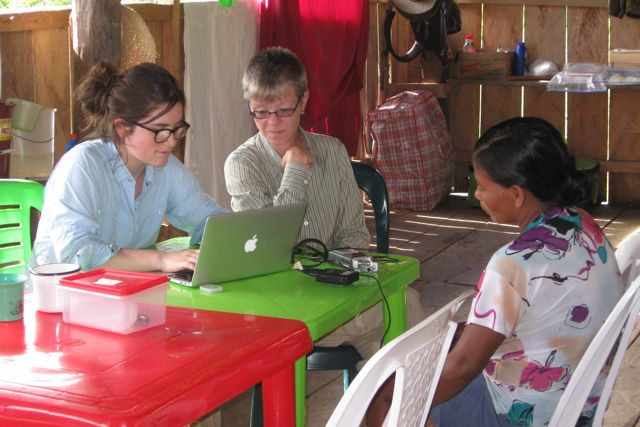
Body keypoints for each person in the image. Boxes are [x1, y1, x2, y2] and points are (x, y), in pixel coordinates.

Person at [367, 117, 624, 427]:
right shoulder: (582, 223)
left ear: (516, 195)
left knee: (381, 394)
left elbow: (463, 367)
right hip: (581, 400)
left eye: (483, 187)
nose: (477, 195)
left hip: (525, 413)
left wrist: (393, 394)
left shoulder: (513, 264)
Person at [224, 46, 424, 358]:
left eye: (283, 110)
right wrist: (296, 172)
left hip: (334, 292)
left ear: (303, 101)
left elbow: (354, 236)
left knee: (385, 343)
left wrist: (336, 276)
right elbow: (268, 249)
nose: (272, 123)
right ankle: (409, 397)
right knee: (402, 309)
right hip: (280, 305)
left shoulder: (332, 151)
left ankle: (391, 401)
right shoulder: (242, 164)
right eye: (260, 112)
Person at [31, 61, 227, 273]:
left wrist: (240, 234)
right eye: (160, 130)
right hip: (58, 296)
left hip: (123, 293)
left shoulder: (165, 168)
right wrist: (162, 260)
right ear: (123, 128)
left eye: (177, 129)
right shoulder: (82, 165)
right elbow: (77, 253)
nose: (171, 141)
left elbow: (208, 221)